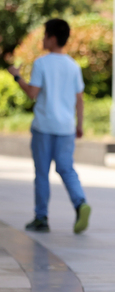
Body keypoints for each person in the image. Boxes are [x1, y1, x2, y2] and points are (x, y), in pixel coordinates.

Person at [7, 18, 91, 234]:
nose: (43, 39)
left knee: (42, 173)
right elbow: (79, 99)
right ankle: (81, 203)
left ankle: (41, 218)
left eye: (45, 35)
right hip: (66, 127)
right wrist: (79, 125)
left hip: (44, 126)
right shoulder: (73, 66)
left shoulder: (42, 63)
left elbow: (33, 93)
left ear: (52, 39)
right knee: (66, 168)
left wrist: (17, 77)